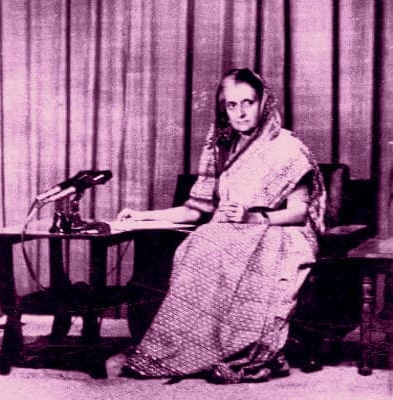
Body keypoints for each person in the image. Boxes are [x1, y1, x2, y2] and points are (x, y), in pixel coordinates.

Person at [118, 68, 326, 384]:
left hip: (281, 232)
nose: (240, 113)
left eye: (248, 103)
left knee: (213, 244)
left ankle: (240, 350)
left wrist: (254, 218)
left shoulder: (287, 148)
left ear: (264, 103)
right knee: (200, 244)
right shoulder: (221, 147)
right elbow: (195, 210)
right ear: (223, 109)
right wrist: (142, 216)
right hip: (231, 231)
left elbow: (299, 213)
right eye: (232, 105)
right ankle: (192, 351)